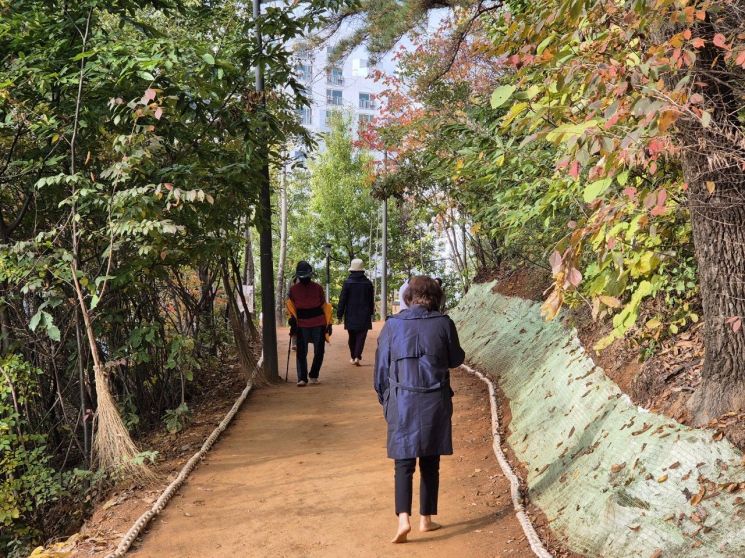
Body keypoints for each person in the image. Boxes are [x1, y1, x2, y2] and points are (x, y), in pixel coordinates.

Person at [374, 276, 465, 543]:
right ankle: (426, 519)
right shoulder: (444, 323)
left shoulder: (391, 326)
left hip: (402, 399)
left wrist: (387, 401)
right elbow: (456, 359)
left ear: (408, 297)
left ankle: (403, 519)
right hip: (434, 398)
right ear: (436, 297)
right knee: (430, 460)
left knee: (403, 462)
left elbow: (380, 371)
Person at [287, 261, 331, 386]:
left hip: (318, 322)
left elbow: (323, 305)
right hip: (301, 324)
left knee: (319, 351)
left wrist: (329, 324)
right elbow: (291, 308)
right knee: (301, 351)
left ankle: (314, 374)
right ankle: (302, 378)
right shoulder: (293, 290)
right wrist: (292, 320)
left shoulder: (317, 288)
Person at [337, 258, 375, 366]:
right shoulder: (368, 283)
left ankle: (353, 356)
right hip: (365, 314)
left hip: (350, 315)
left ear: (351, 270)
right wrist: (372, 313)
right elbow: (370, 300)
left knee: (352, 337)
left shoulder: (347, 283)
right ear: (362, 270)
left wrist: (339, 314)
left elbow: (342, 300)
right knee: (361, 337)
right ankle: (357, 356)